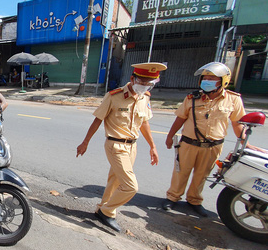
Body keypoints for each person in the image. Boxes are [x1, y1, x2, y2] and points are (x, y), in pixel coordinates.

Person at [161, 62, 266, 216]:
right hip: (188, 143)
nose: (207, 81)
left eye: (212, 78)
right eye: (205, 78)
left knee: (202, 175)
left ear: (224, 81)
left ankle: (194, 200)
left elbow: (237, 124)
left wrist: (246, 143)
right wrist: (170, 136)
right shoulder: (192, 98)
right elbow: (180, 118)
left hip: (213, 146)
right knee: (180, 172)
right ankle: (173, 197)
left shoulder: (233, 99)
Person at [76, 62, 167, 232]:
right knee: (131, 186)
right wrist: (85, 142)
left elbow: (144, 123)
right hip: (115, 145)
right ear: (132, 79)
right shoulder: (114, 96)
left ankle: (102, 207)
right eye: (142, 82)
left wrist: (152, 146)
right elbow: (98, 120)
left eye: (150, 83)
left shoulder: (145, 97)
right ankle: (107, 211)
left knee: (116, 180)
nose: (145, 86)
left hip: (132, 146)